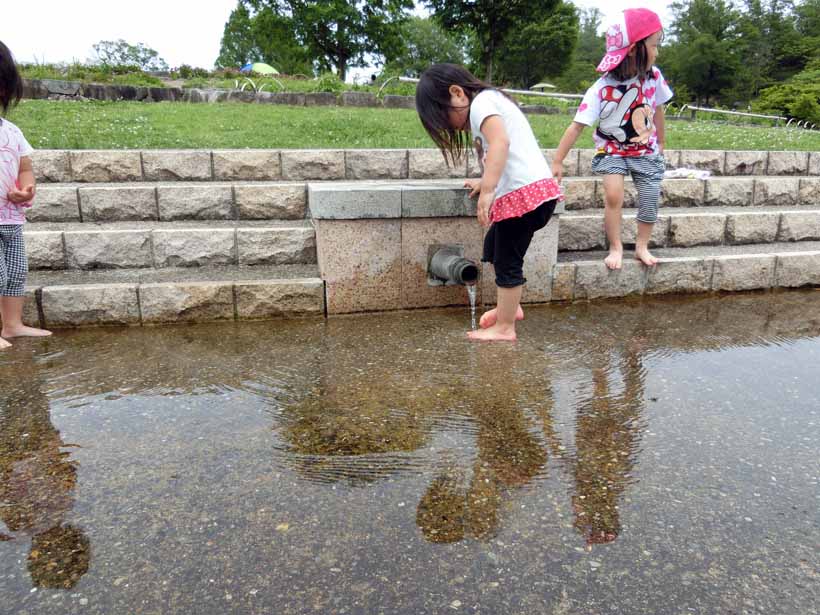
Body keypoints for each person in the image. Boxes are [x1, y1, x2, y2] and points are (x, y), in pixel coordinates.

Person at [415, 64, 563, 342]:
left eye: (444, 117)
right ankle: (510, 306)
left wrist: (489, 189)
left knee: (508, 259)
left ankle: (505, 328)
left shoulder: (483, 101)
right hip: (532, 195)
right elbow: (509, 154)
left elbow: (501, 144)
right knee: (493, 247)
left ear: (457, 93)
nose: (449, 126)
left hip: (525, 197)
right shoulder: (489, 103)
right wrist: (485, 182)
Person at [551, 8, 673, 270]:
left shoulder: (654, 78)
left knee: (651, 196)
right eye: (654, 45)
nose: (657, 52)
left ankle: (642, 246)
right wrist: (558, 160)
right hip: (611, 150)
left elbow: (659, 108)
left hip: (646, 150)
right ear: (633, 49)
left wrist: (661, 141)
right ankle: (615, 246)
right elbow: (576, 126)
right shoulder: (601, 88)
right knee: (614, 195)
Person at [0, 40, 51, 349]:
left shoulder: (12, 131)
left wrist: (26, 188)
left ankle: (12, 324)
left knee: (16, 272)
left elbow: (25, 168)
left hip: (11, 218)